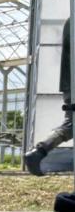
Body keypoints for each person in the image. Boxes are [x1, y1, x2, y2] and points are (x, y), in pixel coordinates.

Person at [24, 18, 72, 175]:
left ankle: (38, 153)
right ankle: (38, 152)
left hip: (69, 83)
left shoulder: (70, 19)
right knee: (71, 125)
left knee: (71, 125)